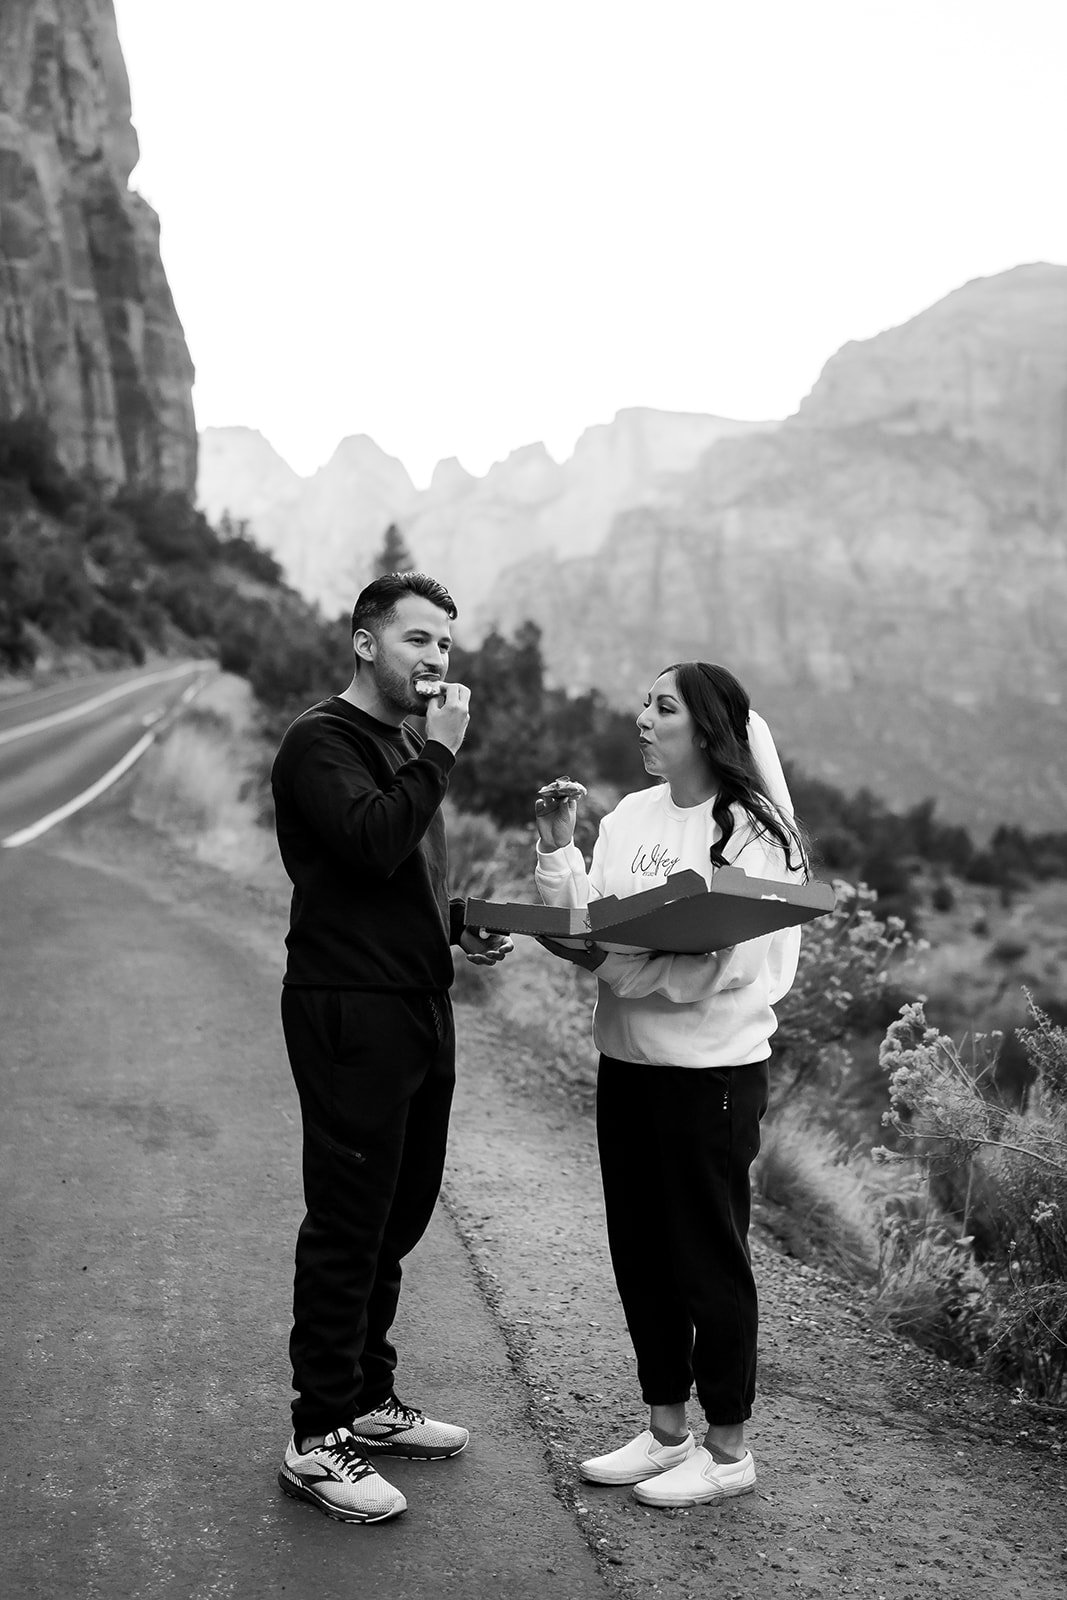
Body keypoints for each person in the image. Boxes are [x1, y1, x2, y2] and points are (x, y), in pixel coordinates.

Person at [533, 661, 808, 1510]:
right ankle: (664, 1432)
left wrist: (622, 967)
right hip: (626, 1068)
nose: (642, 720)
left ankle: (727, 1450)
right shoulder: (627, 816)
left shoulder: (758, 834)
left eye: (663, 707)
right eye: (642, 706)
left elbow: (732, 967)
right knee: (640, 1250)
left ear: (709, 728)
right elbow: (588, 920)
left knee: (706, 1256)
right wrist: (557, 848)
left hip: (712, 1077)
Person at [270, 570, 513, 1524]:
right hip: (348, 1009)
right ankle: (316, 1435)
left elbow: (391, 874)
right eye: (417, 640)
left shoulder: (406, 746)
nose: (436, 660)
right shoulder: (320, 740)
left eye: (445, 645)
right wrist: (440, 758)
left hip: (415, 998)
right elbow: (369, 842)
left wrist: (454, 920)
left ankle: (368, 1400)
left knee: (400, 1211)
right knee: (348, 1218)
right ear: (366, 642)